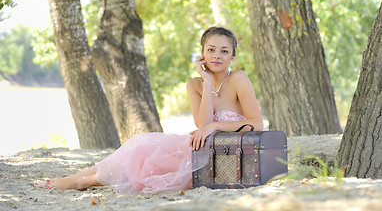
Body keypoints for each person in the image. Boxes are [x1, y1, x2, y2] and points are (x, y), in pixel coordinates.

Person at [34, 26, 264, 194]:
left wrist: (215, 126)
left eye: (224, 51)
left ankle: (84, 181)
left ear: (232, 56)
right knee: (141, 145)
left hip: (223, 153)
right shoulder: (195, 85)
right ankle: (75, 178)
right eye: (211, 49)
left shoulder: (238, 79)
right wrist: (205, 81)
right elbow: (202, 124)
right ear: (202, 53)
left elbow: (257, 123)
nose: (217, 56)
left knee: (144, 166)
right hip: (197, 146)